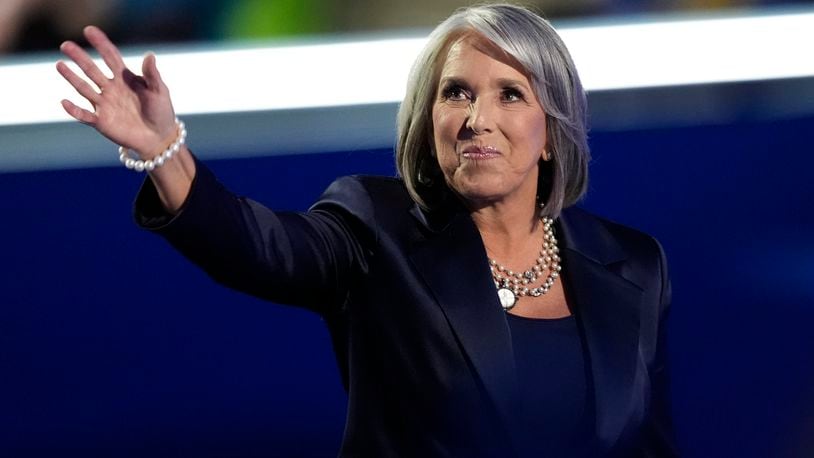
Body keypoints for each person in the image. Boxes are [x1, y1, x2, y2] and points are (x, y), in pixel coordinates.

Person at [56, 3, 677, 456]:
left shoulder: (633, 265)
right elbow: (262, 247)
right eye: (455, 93)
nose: (477, 119)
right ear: (427, 117)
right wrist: (165, 149)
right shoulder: (376, 227)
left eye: (510, 95)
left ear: (553, 129)